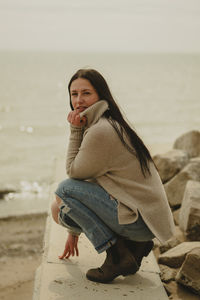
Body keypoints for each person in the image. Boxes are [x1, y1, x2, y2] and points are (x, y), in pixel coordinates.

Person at [51, 68, 175, 283]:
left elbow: (73, 173)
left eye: (86, 93)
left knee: (64, 190)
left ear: (101, 95)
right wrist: (73, 231)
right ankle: (133, 248)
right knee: (58, 207)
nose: (79, 100)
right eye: (74, 94)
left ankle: (117, 255)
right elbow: (87, 177)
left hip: (140, 222)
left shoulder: (102, 130)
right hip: (144, 220)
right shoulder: (107, 123)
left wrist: (74, 131)